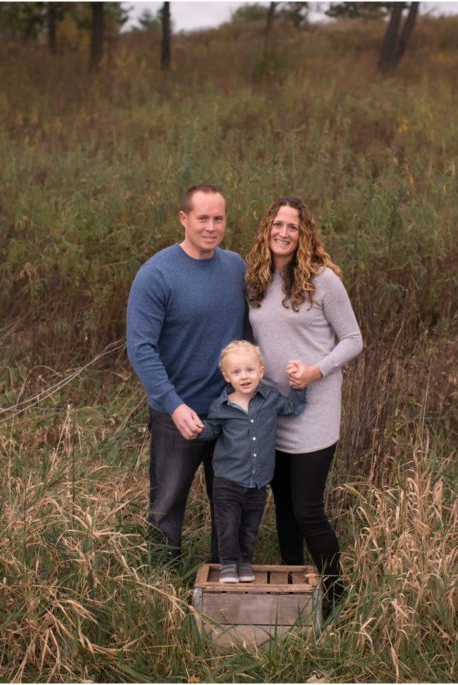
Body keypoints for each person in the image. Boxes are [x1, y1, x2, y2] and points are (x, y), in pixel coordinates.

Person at [244, 197, 363, 612]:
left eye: (292, 227)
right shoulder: (256, 279)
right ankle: (295, 593)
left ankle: (335, 596)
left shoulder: (322, 280)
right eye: (277, 224)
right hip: (272, 411)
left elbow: (353, 339)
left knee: (308, 509)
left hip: (315, 411)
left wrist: (316, 370)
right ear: (267, 228)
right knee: (284, 509)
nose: (283, 233)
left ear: (303, 233)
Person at [126, 184, 247, 563]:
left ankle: (224, 578)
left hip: (228, 412)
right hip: (177, 413)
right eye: (202, 218)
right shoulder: (156, 275)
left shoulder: (236, 267)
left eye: (218, 219)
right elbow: (141, 349)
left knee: (230, 503)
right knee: (167, 505)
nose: (211, 227)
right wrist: (173, 405)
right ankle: (161, 583)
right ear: (184, 218)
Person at [194, 341, 307, 583]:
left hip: (258, 480)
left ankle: (244, 563)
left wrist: (299, 385)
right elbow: (212, 429)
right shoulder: (221, 405)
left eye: (250, 370)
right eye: (236, 372)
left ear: (261, 371)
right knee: (228, 525)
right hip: (227, 479)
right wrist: (197, 429)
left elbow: (293, 407)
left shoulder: (270, 398)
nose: (244, 376)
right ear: (227, 377)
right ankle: (228, 565)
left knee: (249, 527)